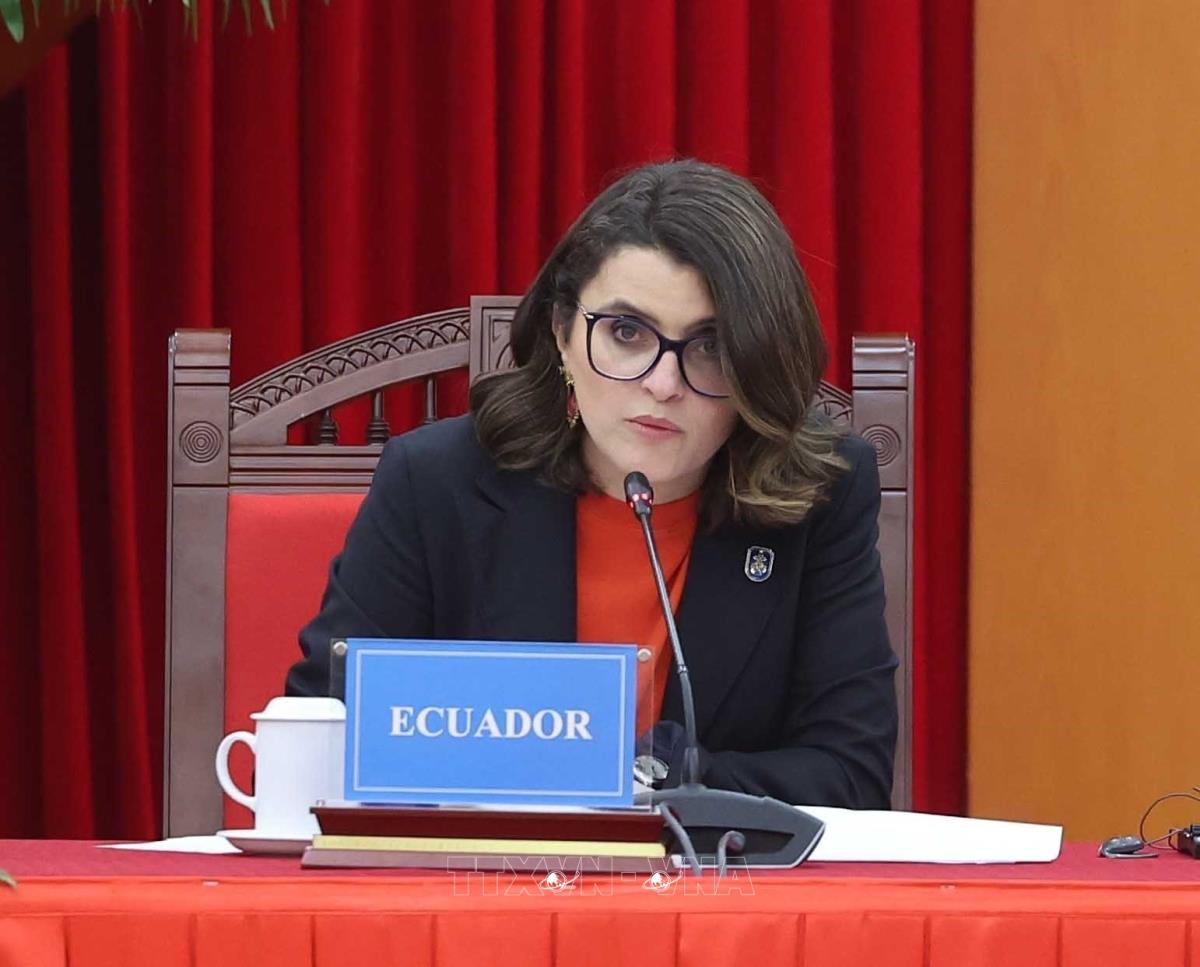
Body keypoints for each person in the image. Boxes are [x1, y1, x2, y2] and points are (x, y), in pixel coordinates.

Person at [286, 159, 898, 809]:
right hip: (482, 866)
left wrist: (651, 781)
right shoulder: (437, 482)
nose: (662, 383)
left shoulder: (821, 493)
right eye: (627, 333)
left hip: (713, 872)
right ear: (562, 334)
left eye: (711, 347)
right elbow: (325, 729)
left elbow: (850, 774)